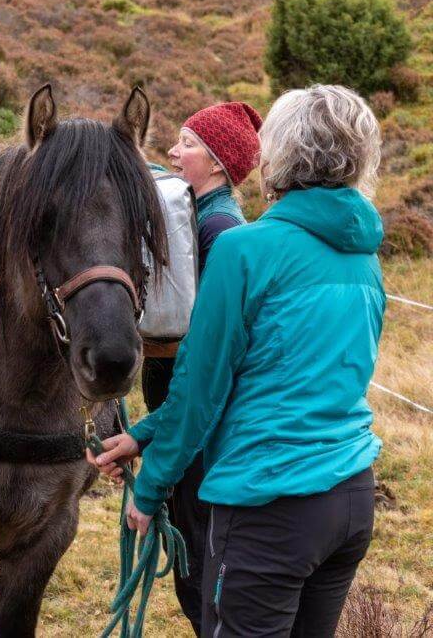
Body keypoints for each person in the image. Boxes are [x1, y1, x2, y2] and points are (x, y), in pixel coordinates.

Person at [95, 84, 385, 637]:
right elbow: (289, 375)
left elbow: (202, 390)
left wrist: (152, 484)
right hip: (351, 494)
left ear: (279, 152)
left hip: (270, 506)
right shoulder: (364, 256)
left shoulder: (242, 249)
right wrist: (144, 433)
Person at [139, 101, 262, 634]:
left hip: (195, 417)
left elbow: (209, 350)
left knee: (197, 550)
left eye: (187, 143)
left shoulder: (218, 229)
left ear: (216, 163)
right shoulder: (200, 218)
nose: (172, 151)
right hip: (183, 408)